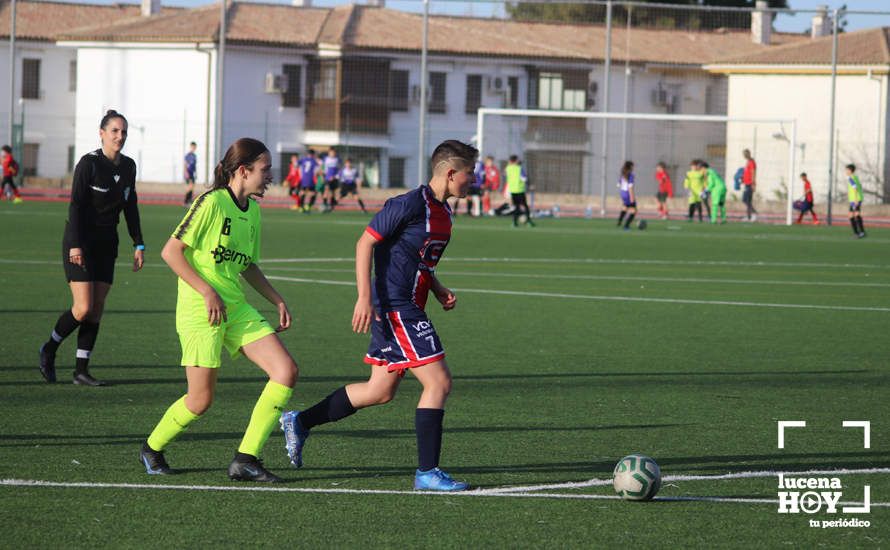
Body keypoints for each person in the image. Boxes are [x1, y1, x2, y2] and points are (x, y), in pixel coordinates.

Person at [279, 140, 478, 492]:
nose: (473, 181)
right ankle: (427, 472)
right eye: (469, 174)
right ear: (450, 173)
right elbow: (365, 243)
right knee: (439, 383)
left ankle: (300, 420)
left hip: (410, 305)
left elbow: (417, 261)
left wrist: (437, 287)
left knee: (380, 390)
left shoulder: (443, 212)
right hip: (396, 307)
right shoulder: (408, 204)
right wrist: (363, 297)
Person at [140, 137, 298, 482]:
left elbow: (248, 266)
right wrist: (207, 290)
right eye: (265, 169)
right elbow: (171, 252)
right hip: (201, 310)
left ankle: (246, 458)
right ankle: (151, 448)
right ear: (243, 171)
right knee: (200, 400)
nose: (271, 176)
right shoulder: (211, 203)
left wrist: (277, 299)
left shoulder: (253, 210)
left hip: (235, 308)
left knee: (285, 371)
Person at [37, 110, 145, 386]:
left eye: (123, 132)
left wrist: (138, 242)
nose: (120, 136)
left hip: (108, 244)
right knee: (83, 307)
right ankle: (49, 348)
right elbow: (75, 205)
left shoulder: (129, 166)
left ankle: (81, 371)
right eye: (114, 131)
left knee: (96, 308)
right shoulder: (88, 164)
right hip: (81, 242)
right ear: (102, 133)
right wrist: (74, 244)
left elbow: (130, 207)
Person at [505, 155, 534, 227]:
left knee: (516, 207)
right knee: (525, 206)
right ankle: (529, 222)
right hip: (520, 190)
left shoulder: (507, 168)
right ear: (515, 160)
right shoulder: (519, 168)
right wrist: (530, 185)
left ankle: (514, 222)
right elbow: (524, 179)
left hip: (512, 190)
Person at [846, 164, 866, 238]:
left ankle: (858, 233)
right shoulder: (855, 177)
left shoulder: (851, 178)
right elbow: (859, 186)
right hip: (856, 199)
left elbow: (855, 188)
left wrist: (855, 199)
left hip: (855, 199)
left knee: (854, 215)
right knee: (854, 215)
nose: (846, 171)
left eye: (847, 170)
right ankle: (860, 232)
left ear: (850, 170)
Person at [616, 161, 637, 230]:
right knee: (634, 211)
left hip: (623, 193)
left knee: (625, 207)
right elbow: (630, 187)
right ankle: (626, 226)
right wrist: (632, 197)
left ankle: (619, 221)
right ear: (630, 167)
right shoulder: (631, 175)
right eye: (633, 166)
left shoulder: (623, 175)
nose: (634, 167)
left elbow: (618, 185)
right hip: (628, 194)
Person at [322, 147, 340, 213]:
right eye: (331, 152)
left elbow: (339, 170)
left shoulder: (337, 159)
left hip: (334, 178)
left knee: (333, 193)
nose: (332, 154)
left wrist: (335, 177)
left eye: (333, 152)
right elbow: (323, 168)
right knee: (326, 190)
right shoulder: (325, 159)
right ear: (329, 153)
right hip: (327, 178)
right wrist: (323, 176)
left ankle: (331, 207)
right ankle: (324, 204)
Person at [741, 148, 758, 221]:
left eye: (745, 154)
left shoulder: (751, 162)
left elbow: (753, 173)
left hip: (750, 184)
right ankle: (749, 216)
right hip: (746, 183)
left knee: (747, 200)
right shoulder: (747, 162)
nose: (744, 156)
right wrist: (742, 179)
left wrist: (753, 184)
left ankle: (753, 214)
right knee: (745, 199)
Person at [183, 141, 197, 206]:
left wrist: (196, 173)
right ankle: (186, 201)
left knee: (192, 187)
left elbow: (194, 165)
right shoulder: (188, 155)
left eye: (195, 147)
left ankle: (189, 200)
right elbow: (185, 164)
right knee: (190, 187)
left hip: (192, 173)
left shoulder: (194, 156)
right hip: (188, 173)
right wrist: (186, 172)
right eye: (193, 147)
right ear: (191, 147)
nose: (194, 148)